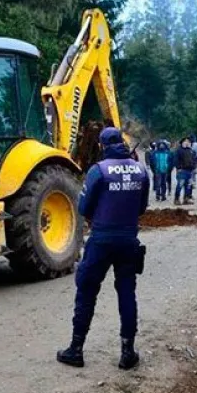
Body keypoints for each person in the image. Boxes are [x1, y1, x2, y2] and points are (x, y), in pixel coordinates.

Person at [57, 127, 148, 370]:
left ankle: (76, 350)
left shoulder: (99, 171)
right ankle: (127, 352)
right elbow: (142, 207)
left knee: (86, 292)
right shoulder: (141, 170)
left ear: (102, 145)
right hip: (129, 241)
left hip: (101, 241)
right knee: (127, 293)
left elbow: (84, 206)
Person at [174, 137, 197, 205]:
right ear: (182, 142)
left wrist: (194, 167)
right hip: (182, 171)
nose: (187, 142)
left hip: (190, 171)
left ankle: (186, 199)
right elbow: (175, 160)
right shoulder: (179, 150)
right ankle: (176, 199)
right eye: (185, 141)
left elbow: (195, 159)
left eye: (188, 141)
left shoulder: (192, 151)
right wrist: (178, 168)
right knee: (180, 185)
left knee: (188, 186)